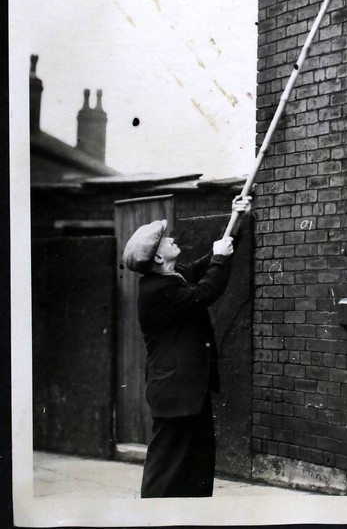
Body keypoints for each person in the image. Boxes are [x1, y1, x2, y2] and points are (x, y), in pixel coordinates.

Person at [122, 195, 252, 498]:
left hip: (189, 390)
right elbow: (206, 291)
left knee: (196, 465)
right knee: (166, 467)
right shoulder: (156, 292)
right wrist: (218, 258)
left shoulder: (173, 275)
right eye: (166, 240)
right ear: (157, 257)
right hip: (175, 393)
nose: (171, 239)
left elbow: (210, 261)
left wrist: (235, 220)